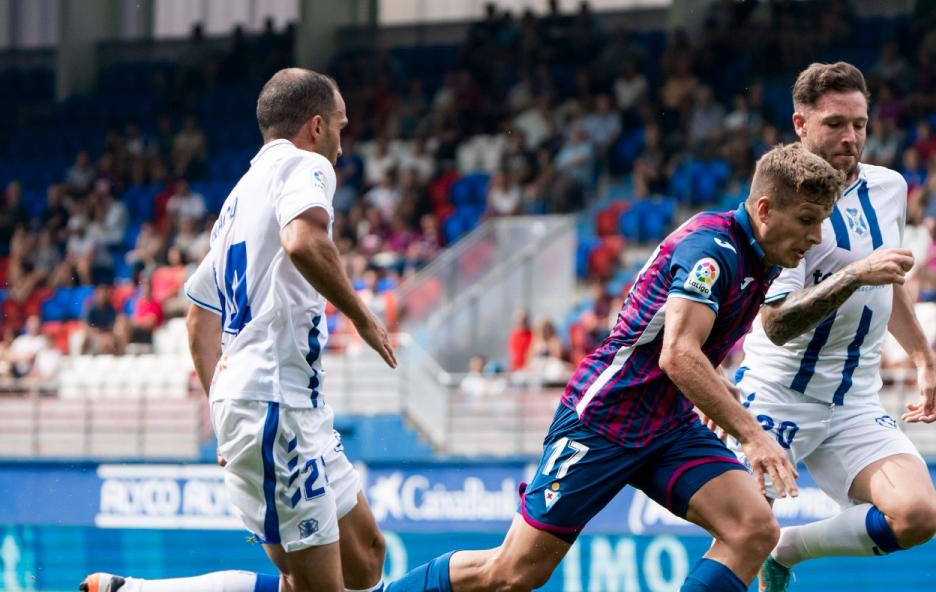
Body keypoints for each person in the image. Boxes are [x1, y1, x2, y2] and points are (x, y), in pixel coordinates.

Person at [396, 142, 845, 592]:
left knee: (754, 529)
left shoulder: (760, 254)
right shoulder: (713, 251)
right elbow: (677, 354)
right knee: (513, 573)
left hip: (668, 424)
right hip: (605, 418)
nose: (816, 236)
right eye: (807, 220)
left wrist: (717, 385)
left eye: (821, 222)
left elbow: (682, 350)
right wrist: (753, 435)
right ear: (765, 209)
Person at [82, 68, 397, 592]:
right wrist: (363, 318)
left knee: (365, 555)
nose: (343, 144)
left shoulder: (238, 197)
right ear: (316, 126)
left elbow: (198, 313)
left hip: (286, 405)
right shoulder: (307, 166)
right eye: (341, 127)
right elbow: (303, 240)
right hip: (276, 404)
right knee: (316, 585)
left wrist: (221, 402)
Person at [733, 62, 936, 592]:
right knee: (740, 536)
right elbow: (777, 323)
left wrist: (922, 358)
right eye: (834, 124)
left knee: (917, 515)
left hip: (852, 401)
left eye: (860, 123)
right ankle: (765, 546)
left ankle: (790, 549)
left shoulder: (889, 188)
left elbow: (888, 280)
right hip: (778, 396)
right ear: (800, 125)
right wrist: (854, 275)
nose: (850, 137)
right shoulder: (783, 203)